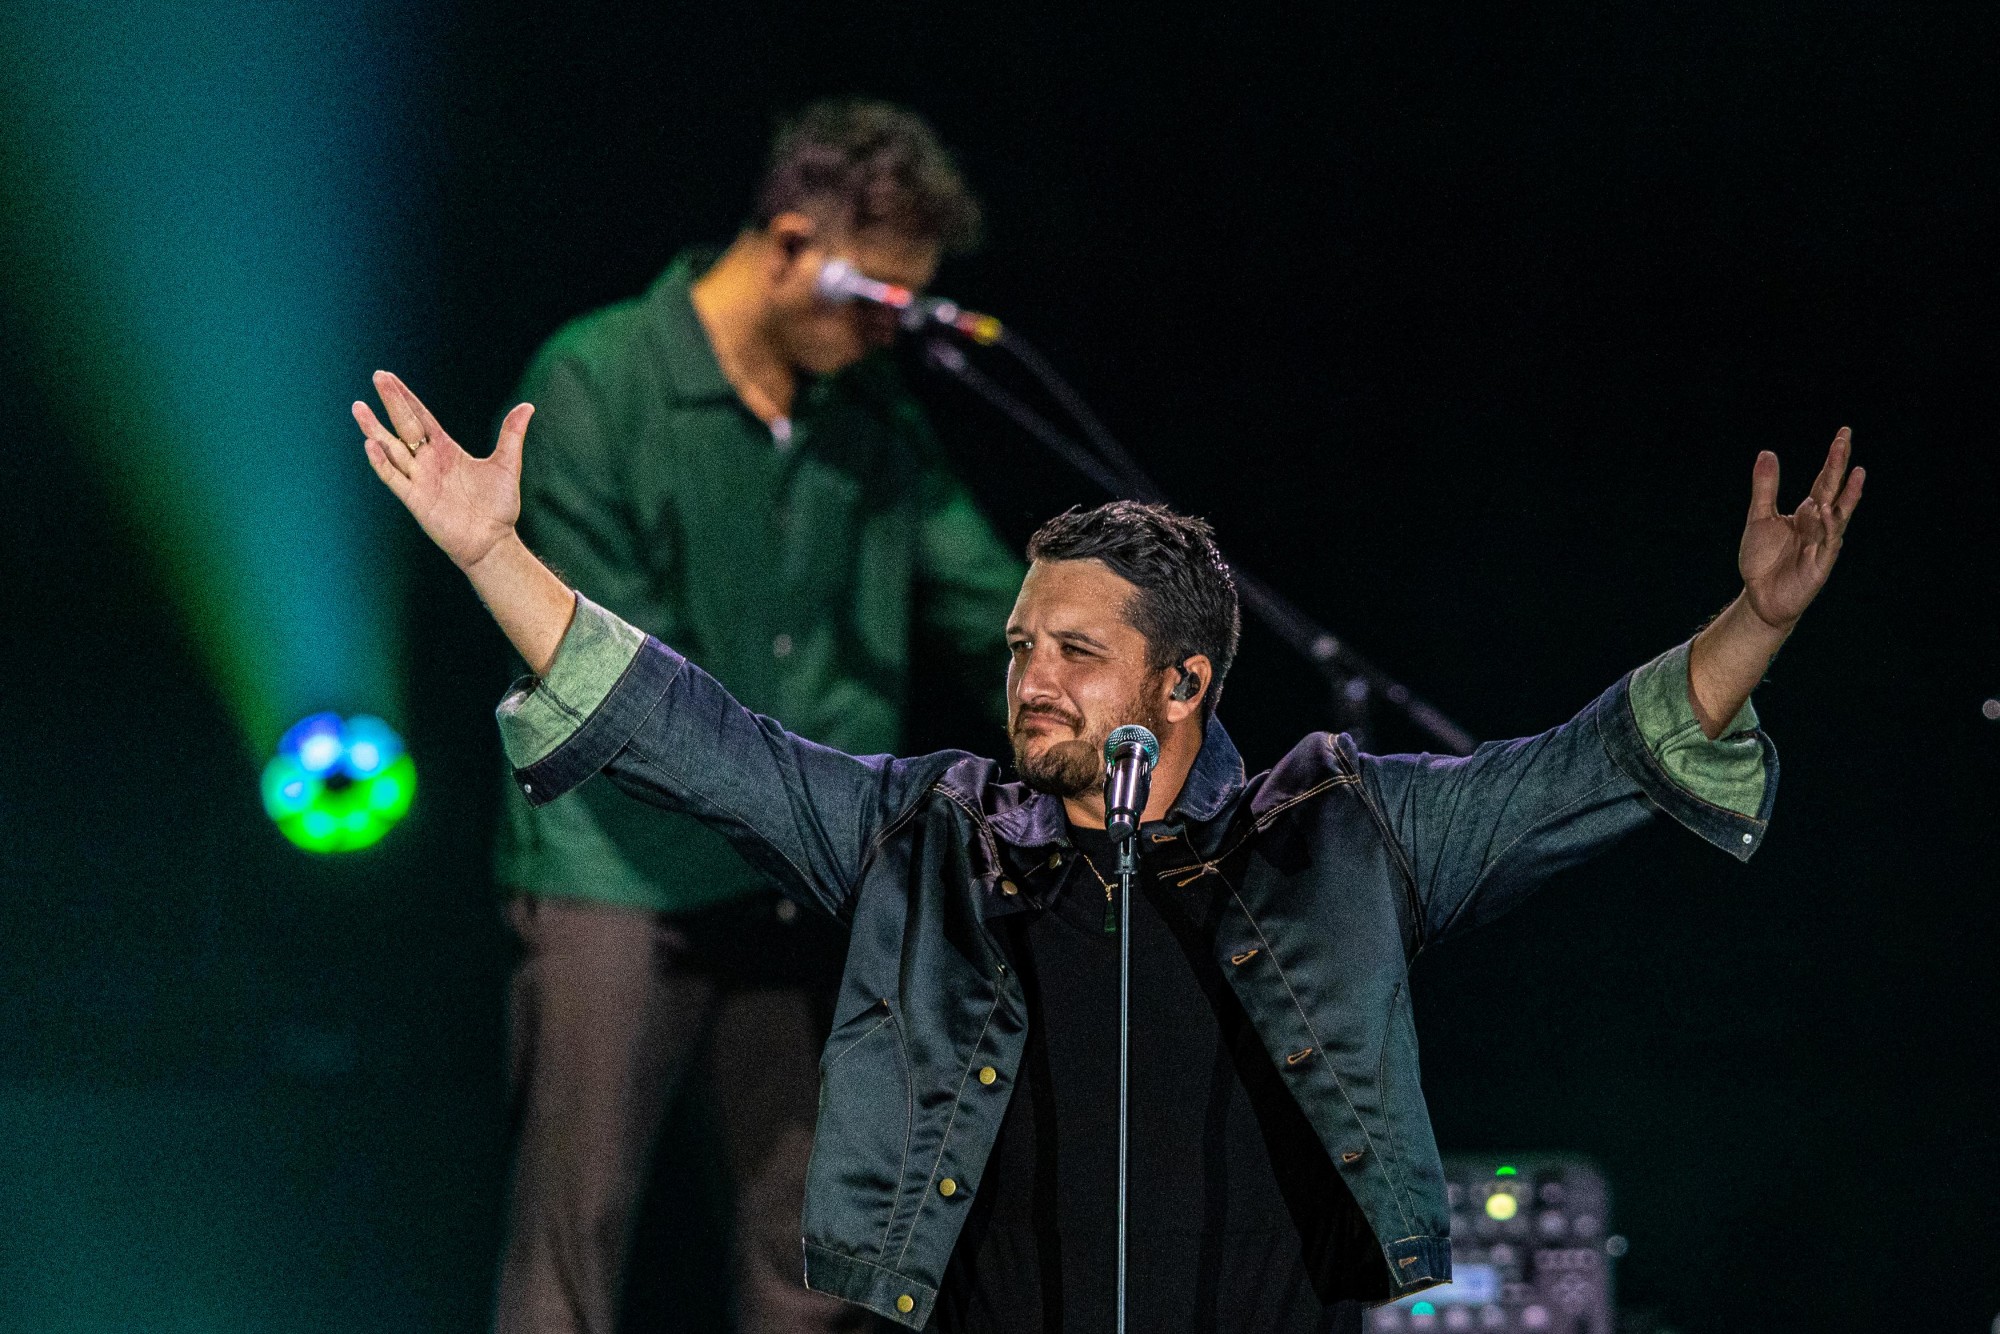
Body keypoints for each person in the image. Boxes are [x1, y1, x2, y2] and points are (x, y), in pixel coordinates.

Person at [355, 370, 1863, 1333]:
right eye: (1021, 646)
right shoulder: (926, 840)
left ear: (1184, 683)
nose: (1032, 678)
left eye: (1077, 650)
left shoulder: (1343, 838)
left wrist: (1760, 625)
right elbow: (702, 736)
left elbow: (1580, 767)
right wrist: (495, 551)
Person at [486, 102, 1024, 1334]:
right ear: (788, 243)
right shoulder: (596, 378)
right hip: (613, 872)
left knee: (810, 1243)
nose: (893, 328)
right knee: (572, 1240)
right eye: (878, 297)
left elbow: (980, 597)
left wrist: (1094, 671)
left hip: (796, 883)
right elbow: (608, 670)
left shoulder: (872, 418)